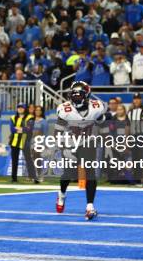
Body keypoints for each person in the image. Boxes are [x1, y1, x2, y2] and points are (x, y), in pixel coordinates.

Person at [54, 81, 108, 220]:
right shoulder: (65, 110)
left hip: (87, 142)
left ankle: (90, 206)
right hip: (70, 142)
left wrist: (108, 142)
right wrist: (61, 148)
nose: (76, 98)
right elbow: (58, 131)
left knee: (90, 173)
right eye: (74, 95)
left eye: (79, 95)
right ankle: (62, 194)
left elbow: (102, 124)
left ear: (87, 95)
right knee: (69, 174)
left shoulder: (96, 107)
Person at [127, 93, 143, 186]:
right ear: (133, 100)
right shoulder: (130, 112)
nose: (136, 100)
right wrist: (127, 139)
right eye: (135, 99)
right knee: (135, 159)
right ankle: (137, 180)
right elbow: (127, 126)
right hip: (133, 137)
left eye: (138, 99)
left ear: (142, 100)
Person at [9, 103, 37, 183]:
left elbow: (29, 129)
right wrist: (23, 129)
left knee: (28, 160)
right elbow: (12, 130)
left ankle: (33, 177)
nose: (20, 109)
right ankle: (14, 178)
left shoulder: (30, 117)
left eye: (22, 108)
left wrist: (19, 129)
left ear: (25, 109)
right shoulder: (13, 117)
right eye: (19, 107)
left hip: (25, 141)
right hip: (14, 141)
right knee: (14, 160)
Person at [31, 105, 47, 181]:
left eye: (39, 110)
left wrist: (44, 143)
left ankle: (40, 175)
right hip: (31, 141)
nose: (38, 111)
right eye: (36, 110)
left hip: (39, 141)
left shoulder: (43, 121)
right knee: (33, 158)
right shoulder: (31, 120)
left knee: (38, 158)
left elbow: (45, 133)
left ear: (41, 112)